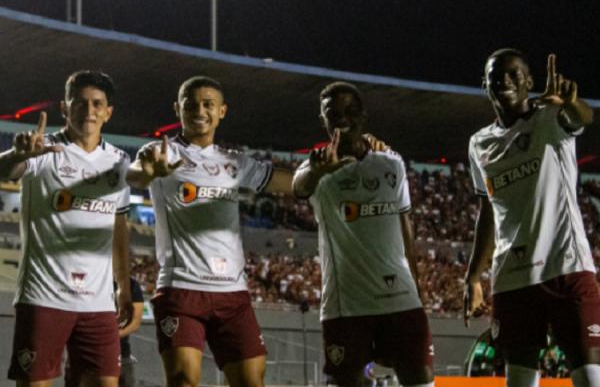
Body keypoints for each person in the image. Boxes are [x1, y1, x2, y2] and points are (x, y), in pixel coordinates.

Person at [126, 76, 294, 387]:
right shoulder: (161, 152)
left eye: (208, 104)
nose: (199, 110)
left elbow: (292, 184)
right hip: (182, 288)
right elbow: (136, 175)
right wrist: (150, 170)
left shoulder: (234, 161)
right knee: (182, 381)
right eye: (191, 104)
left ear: (222, 111)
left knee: (252, 383)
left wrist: (326, 171)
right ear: (178, 109)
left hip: (233, 293)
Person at [463, 49, 599, 387]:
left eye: (513, 74)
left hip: (566, 267)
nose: (504, 81)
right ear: (485, 84)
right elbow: (487, 210)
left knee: (589, 378)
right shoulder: (479, 143)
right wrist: (473, 277)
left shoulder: (550, 117)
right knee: (520, 381)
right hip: (513, 278)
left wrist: (570, 104)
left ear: (529, 82)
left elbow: (582, 118)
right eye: (495, 75)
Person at [292, 81, 434, 387]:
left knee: (421, 379)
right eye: (334, 112)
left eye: (351, 110)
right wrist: (318, 170)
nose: (344, 117)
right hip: (346, 306)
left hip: (401, 299)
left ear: (364, 116)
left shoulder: (391, 164)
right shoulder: (317, 172)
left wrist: (418, 290)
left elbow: (404, 227)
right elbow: (298, 187)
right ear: (323, 120)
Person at [1, 70, 132, 386]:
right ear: (65, 108)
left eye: (97, 104)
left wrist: (125, 286)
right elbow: (8, 168)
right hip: (45, 298)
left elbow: (119, 225)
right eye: (80, 103)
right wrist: (18, 154)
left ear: (108, 112)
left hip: (98, 304)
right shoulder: (43, 150)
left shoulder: (120, 161)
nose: (89, 111)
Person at [65, 277, 145, 387]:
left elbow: (135, 323)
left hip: (121, 354)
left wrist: (108, 336)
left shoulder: (130, 285)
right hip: (82, 354)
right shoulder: (86, 280)